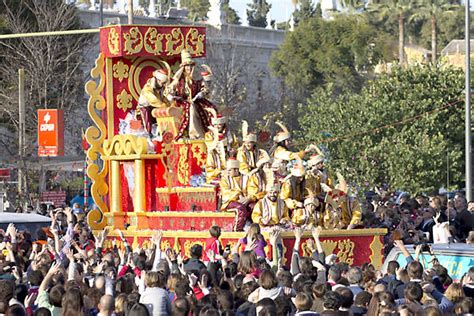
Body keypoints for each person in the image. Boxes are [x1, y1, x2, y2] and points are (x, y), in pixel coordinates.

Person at [167, 50, 216, 140]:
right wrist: (170, 95)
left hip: (196, 100)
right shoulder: (178, 79)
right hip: (181, 102)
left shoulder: (198, 78)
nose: (188, 68)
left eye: (190, 65)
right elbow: (169, 90)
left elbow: (205, 89)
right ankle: (195, 134)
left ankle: (212, 132)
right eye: (186, 66)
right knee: (191, 107)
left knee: (211, 108)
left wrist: (202, 93)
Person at [137, 67, 170, 136]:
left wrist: (169, 104)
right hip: (145, 108)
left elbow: (162, 97)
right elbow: (153, 100)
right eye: (163, 83)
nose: (164, 85)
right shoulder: (148, 87)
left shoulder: (160, 87)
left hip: (154, 107)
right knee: (148, 123)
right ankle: (148, 136)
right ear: (158, 80)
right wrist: (163, 105)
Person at [219, 158, 250, 231]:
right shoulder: (225, 179)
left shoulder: (246, 177)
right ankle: (237, 230)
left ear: (236, 170)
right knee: (240, 207)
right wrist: (239, 194)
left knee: (253, 206)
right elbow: (226, 192)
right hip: (229, 201)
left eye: (230, 170)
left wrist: (248, 198)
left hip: (245, 199)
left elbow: (251, 190)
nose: (228, 172)